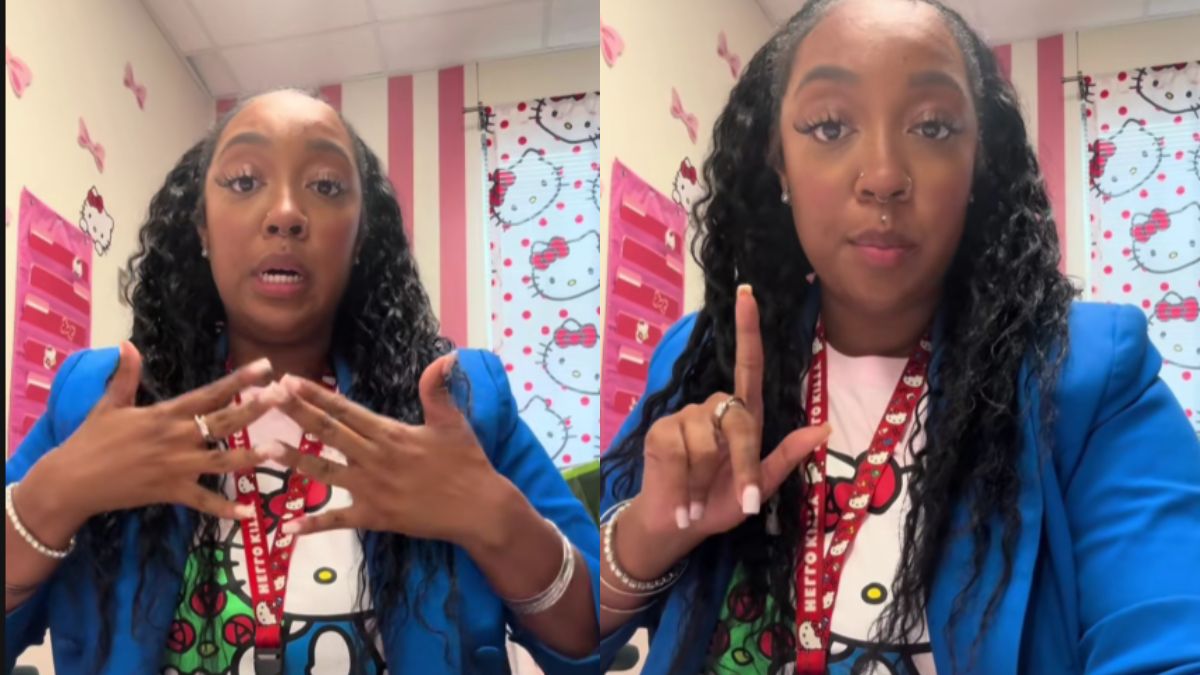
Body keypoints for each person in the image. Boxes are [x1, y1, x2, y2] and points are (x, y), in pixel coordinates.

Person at [595, 1, 1200, 673]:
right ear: (778, 161)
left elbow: (1171, 638)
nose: (883, 176)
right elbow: (582, 631)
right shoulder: (702, 360)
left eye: (933, 126)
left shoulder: (1092, 375)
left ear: (977, 163)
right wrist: (652, 532)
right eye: (830, 126)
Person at [5, 89, 599, 675]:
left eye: (326, 186)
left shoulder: (462, 403)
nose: (286, 213)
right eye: (244, 180)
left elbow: (592, 640)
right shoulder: (99, 402)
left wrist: (495, 521)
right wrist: (52, 498)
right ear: (202, 228)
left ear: (361, 236)